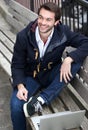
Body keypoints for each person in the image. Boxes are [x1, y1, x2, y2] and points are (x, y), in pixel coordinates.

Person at [10, 2, 88, 130]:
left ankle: (42, 99)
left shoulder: (63, 32)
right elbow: (17, 64)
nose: (43, 22)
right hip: (31, 77)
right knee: (16, 105)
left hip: (53, 74)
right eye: (40, 17)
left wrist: (69, 59)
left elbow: (86, 43)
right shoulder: (24, 36)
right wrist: (20, 85)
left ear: (56, 22)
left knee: (75, 61)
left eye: (48, 19)